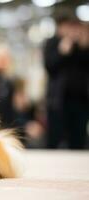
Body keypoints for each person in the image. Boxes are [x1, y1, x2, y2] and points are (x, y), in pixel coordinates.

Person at [43, 15, 89, 149]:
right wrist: (62, 52)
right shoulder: (53, 43)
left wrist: (84, 47)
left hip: (81, 101)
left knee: (79, 139)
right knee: (54, 139)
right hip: (58, 101)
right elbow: (50, 67)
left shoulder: (83, 45)